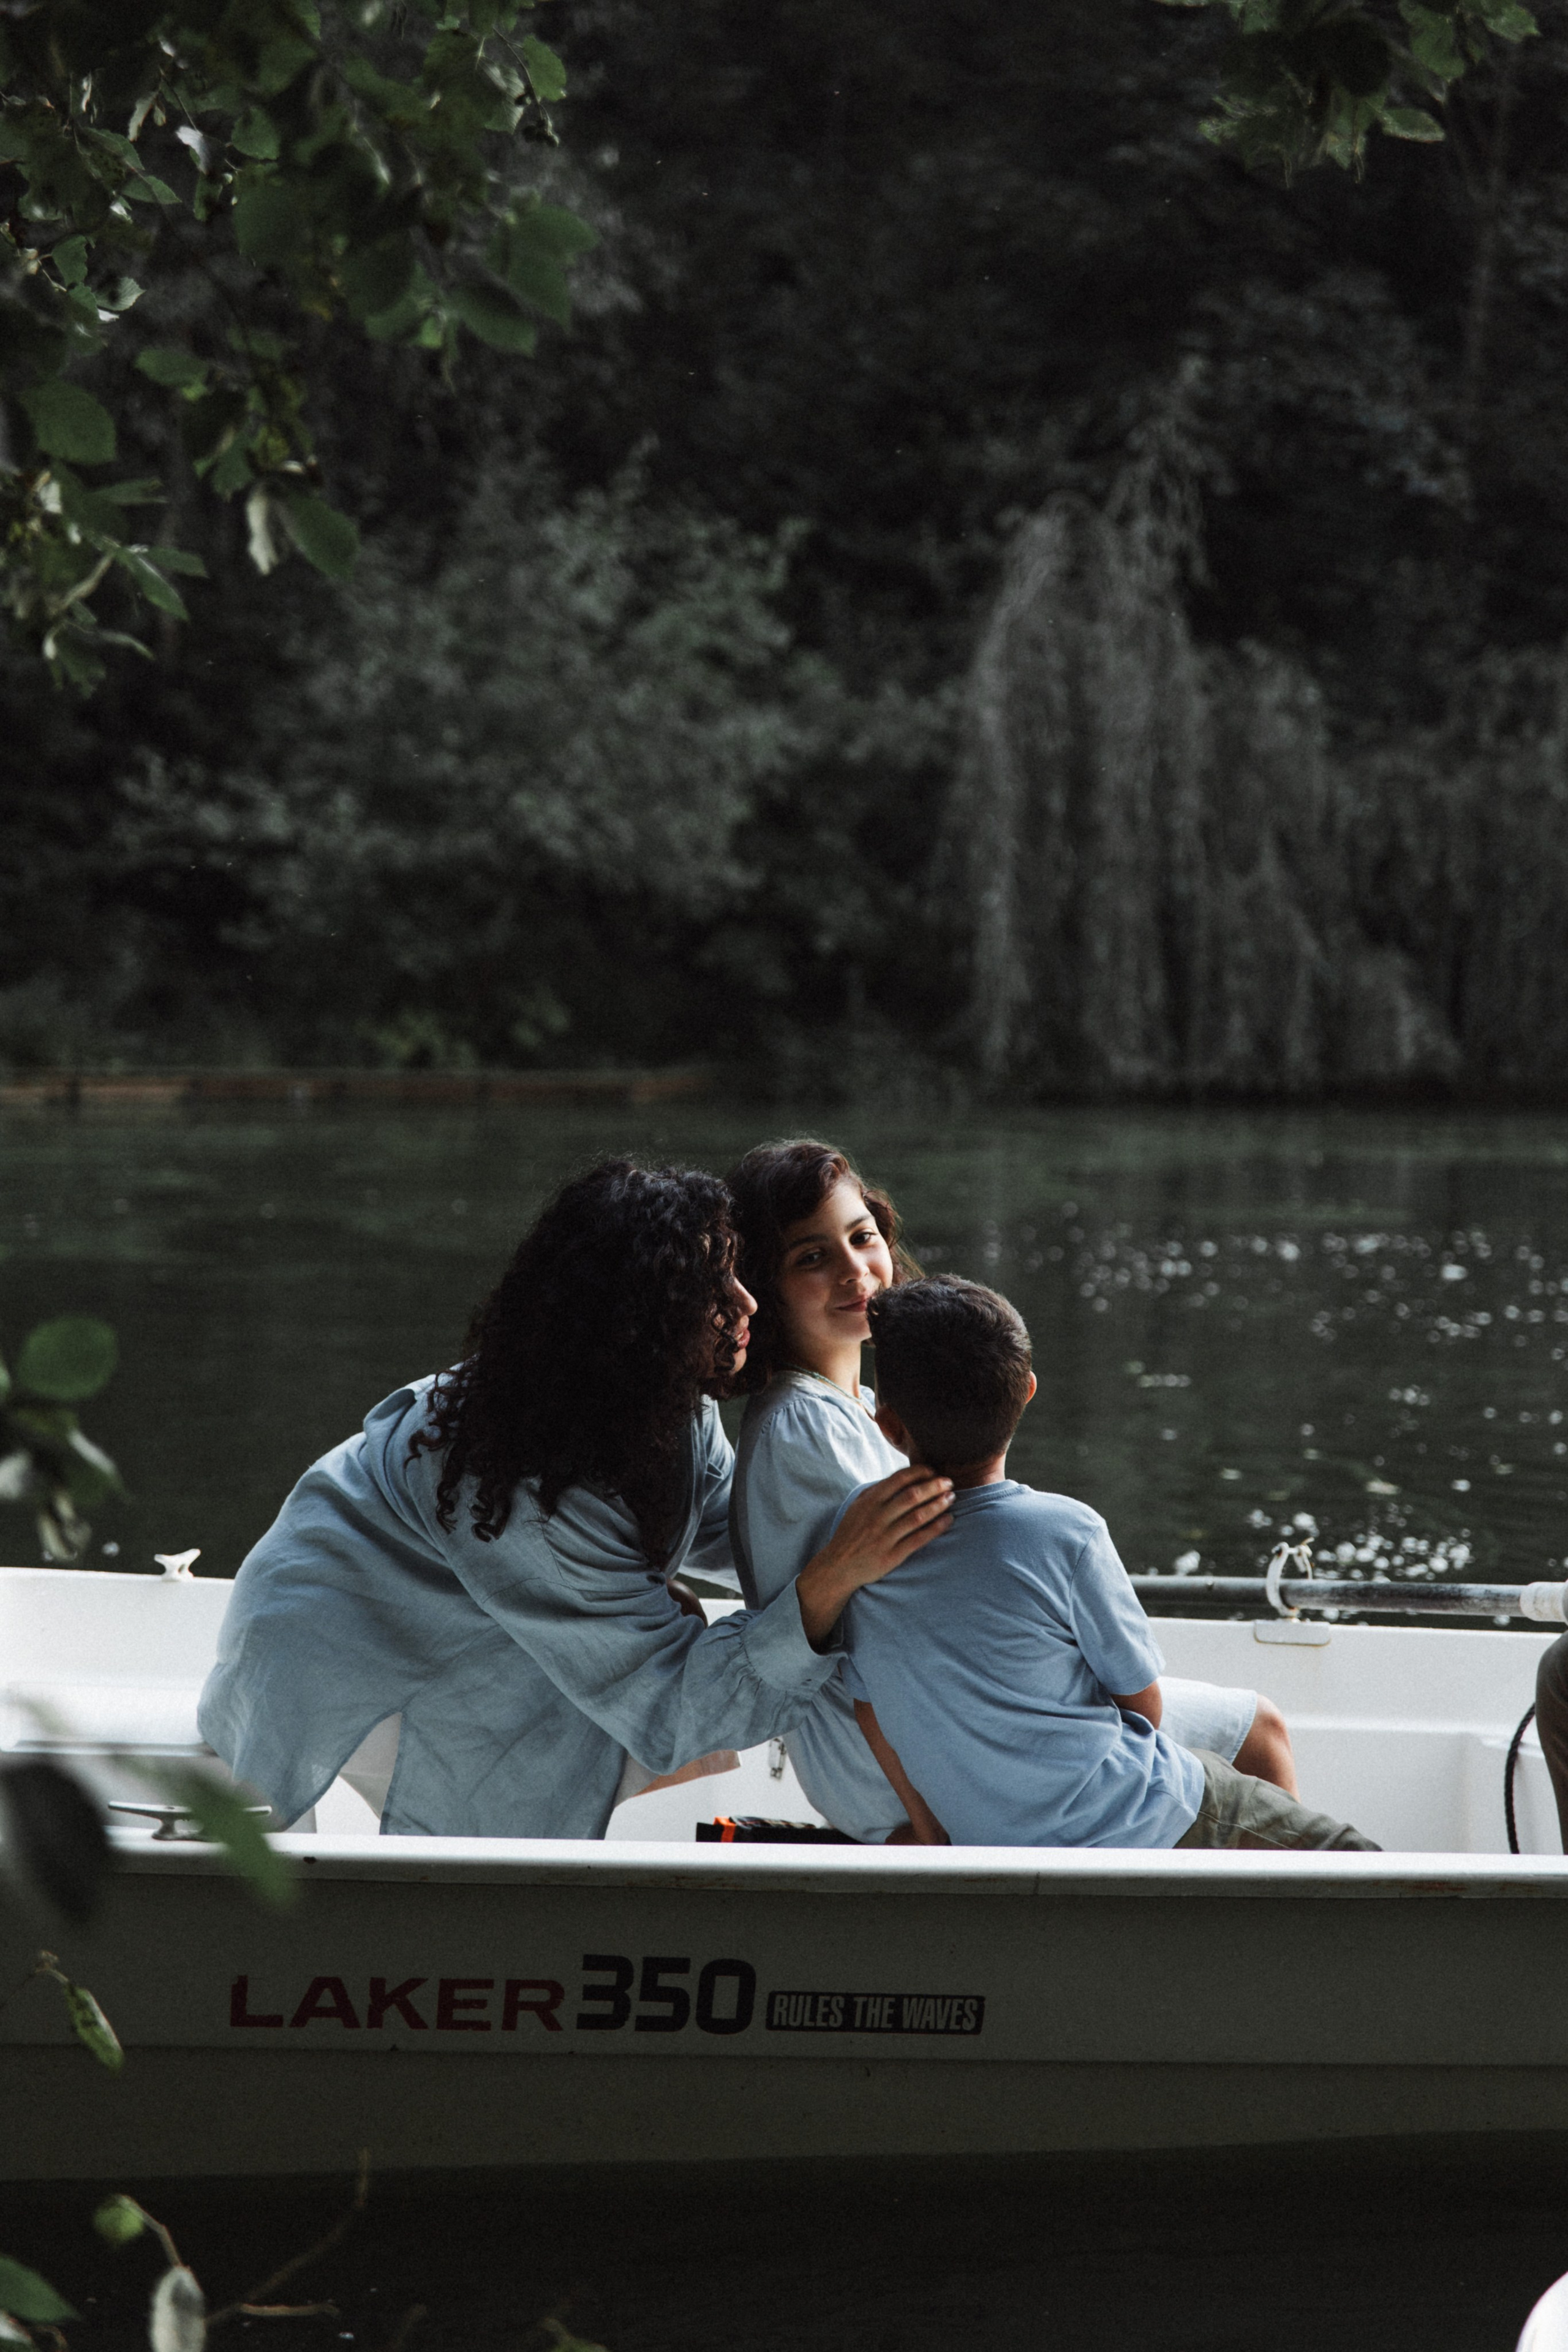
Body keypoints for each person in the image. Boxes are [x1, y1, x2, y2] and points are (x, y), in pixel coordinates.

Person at [198, 1158, 952, 1839]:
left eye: (737, 1273)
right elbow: (664, 1702)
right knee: (558, 1752)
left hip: (458, 1611)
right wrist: (823, 1586)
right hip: (350, 1657)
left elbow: (742, 1529)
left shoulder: (661, 1400)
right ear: (639, 1321)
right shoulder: (518, 1484)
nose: (747, 1302)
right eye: (709, 1291)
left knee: (693, 1646)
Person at [725, 1137, 1296, 1844]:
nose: (854, 1271)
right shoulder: (802, 1428)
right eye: (811, 1257)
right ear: (765, 1289)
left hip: (929, 1722)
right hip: (900, 1755)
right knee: (1258, 1733)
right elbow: (891, 1620)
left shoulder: (855, 1409)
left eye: (861, 1237)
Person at [840, 1275, 1379, 1853]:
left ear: (891, 1426)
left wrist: (937, 1838)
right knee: (1358, 1862)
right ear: (1026, 1391)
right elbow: (1144, 1706)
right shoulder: (1066, 1533)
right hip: (1146, 1816)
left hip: (995, 1842)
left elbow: (871, 1709)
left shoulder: (856, 1542)